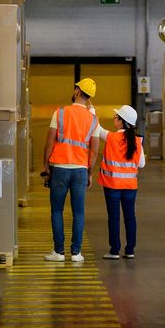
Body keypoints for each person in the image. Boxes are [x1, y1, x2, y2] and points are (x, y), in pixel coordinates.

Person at [42, 78, 100, 263]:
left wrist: (45, 166)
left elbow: (50, 142)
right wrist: (90, 172)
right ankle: (76, 253)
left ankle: (58, 252)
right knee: (79, 212)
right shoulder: (93, 119)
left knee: (57, 211)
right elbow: (95, 151)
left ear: (76, 91)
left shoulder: (59, 113)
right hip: (80, 171)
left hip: (59, 168)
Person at [98, 104, 144, 260]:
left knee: (114, 217)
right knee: (130, 217)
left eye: (116, 117)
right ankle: (130, 250)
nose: (114, 118)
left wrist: (89, 109)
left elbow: (96, 127)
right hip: (130, 187)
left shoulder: (110, 137)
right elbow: (141, 163)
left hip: (112, 186)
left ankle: (114, 250)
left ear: (121, 121)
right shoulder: (137, 141)